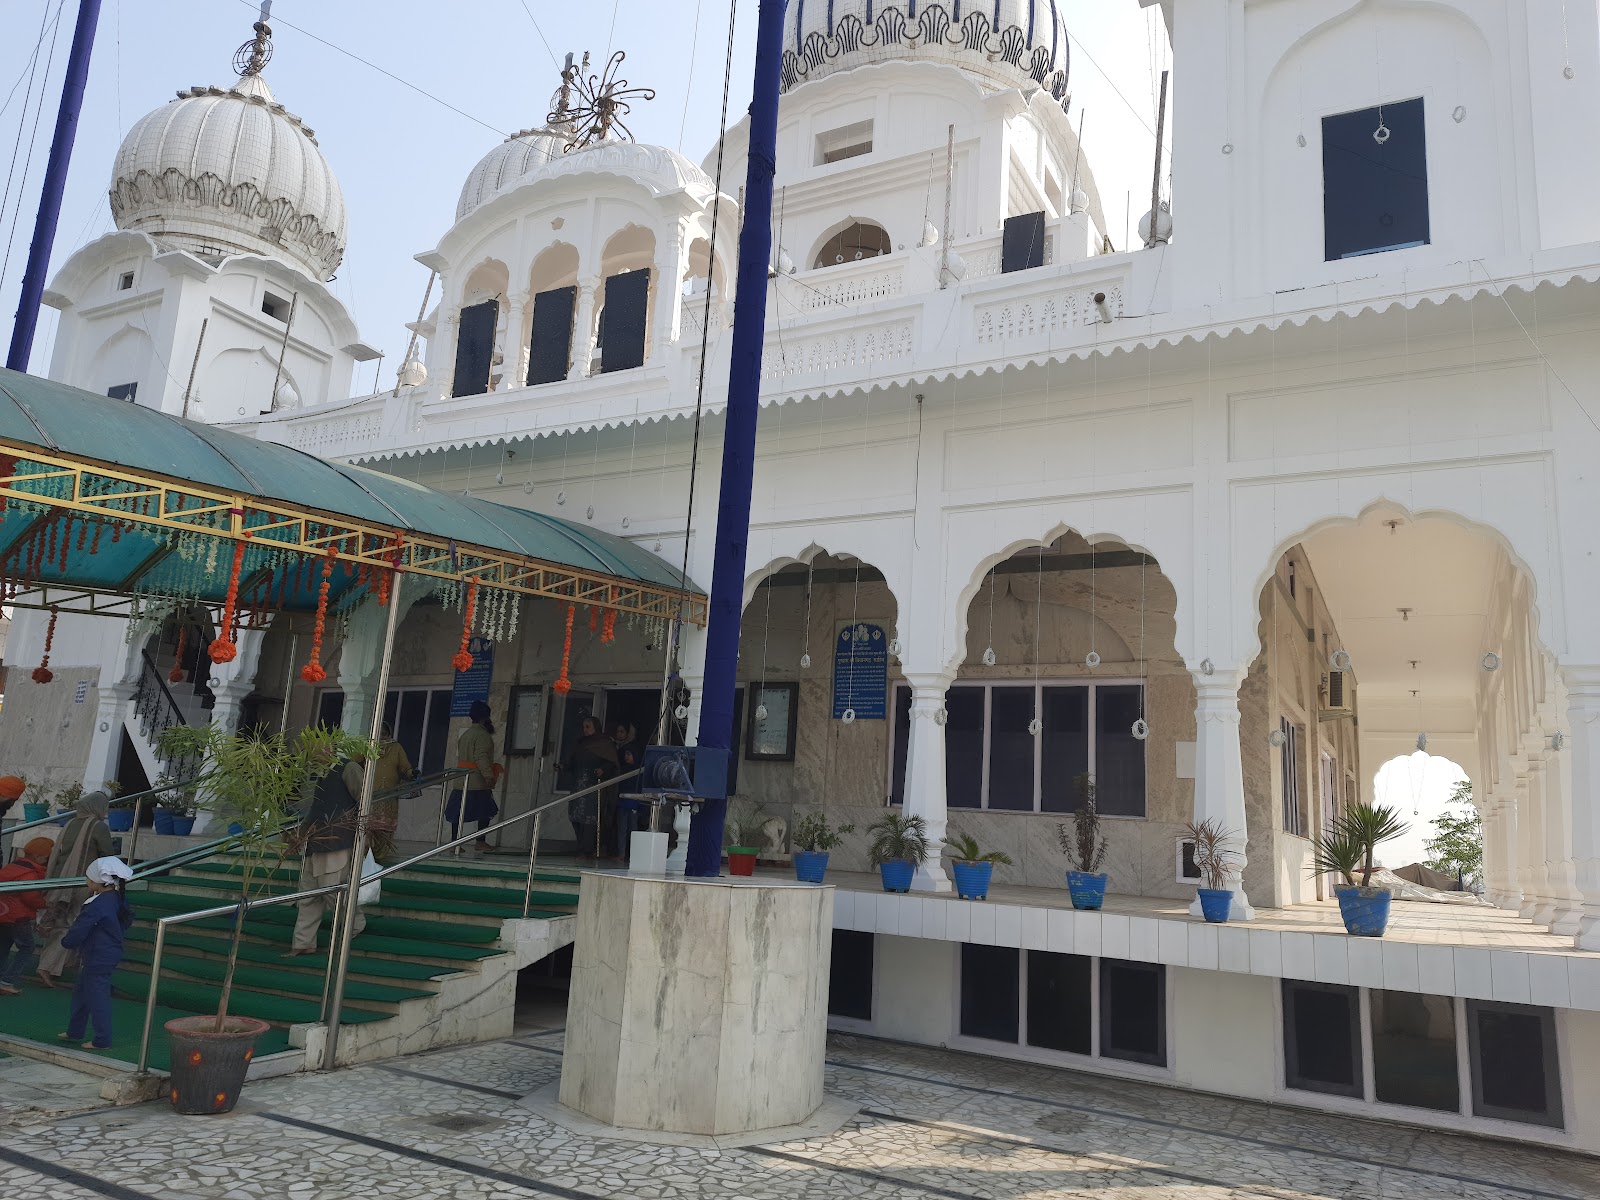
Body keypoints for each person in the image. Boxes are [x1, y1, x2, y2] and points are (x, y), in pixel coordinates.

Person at [287, 756, 367, 957]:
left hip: (337, 841)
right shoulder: (321, 774)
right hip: (316, 843)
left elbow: (366, 799)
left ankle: (355, 924)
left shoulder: (348, 768)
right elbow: (316, 809)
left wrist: (363, 837)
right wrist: (301, 834)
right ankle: (303, 942)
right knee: (307, 894)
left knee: (331, 890)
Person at [35, 790, 114, 988]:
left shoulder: (69, 824)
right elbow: (107, 855)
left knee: (60, 922)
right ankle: (46, 966)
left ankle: (57, 965)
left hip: (60, 879)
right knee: (71, 925)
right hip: (81, 882)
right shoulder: (98, 827)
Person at [58, 856, 133, 1051]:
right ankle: (75, 1031)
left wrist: (67, 942)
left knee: (97, 996)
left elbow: (80, 927)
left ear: (95, 882)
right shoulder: (115, 898)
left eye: (88, 878)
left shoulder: (97, 904)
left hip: (98, 954)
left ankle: (102, 1040)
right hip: (105, 951)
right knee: (83, 991)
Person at [0, 837, 55, 995]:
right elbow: (30, 897)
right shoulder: (29, 874)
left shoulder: (11, 867)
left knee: (3, 948)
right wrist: (45, 904)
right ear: (38, 857)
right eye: (46, 858)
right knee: (27, 948)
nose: (47, 861)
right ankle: (7, 981)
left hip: (3, 915)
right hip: (19, 917)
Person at [448, 701, 501, 852]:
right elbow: (481, 757)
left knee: (458, 812)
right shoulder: (483, 735)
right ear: (485, 718)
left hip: (461, 780)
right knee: (485, 811)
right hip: (477, 781)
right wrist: (489, 776)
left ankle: (454, 843)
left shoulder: (466, 734)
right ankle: (480, 842)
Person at [566, 717, 619, 859]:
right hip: (578, 786)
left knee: (589, 819)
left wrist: (603, 769)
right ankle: (580, 846)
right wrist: (563, 766)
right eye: (584, 727)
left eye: (588, 726)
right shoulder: (580, 743)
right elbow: (571, 762)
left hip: (593, 787)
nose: (585, 730)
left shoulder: (604, 743)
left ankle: (586, 849)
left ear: (596, 727)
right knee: (575, 817)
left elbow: (612, 763)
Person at [367, 727, 415, 862]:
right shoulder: (369, 746)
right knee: (370, 825)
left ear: (389, 734)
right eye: (379, 734)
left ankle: (381, 856)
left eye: (384, 734)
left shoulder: (396, 748)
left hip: (389, 794)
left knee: (386, 825)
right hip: (372, 794)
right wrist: (368, 745)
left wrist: (411, 773)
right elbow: (356, 760)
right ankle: (368, 855)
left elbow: (405, 766)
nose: (382, 737)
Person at [612, 722, 645, 859]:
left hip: (633, 804)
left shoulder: (639, 771)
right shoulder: (623, 770)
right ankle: (621, 853)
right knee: (621, 829)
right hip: (623, 803)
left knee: (633, 829)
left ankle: (633, 855)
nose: (626, 757)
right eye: (625, 754)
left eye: (629, 754)